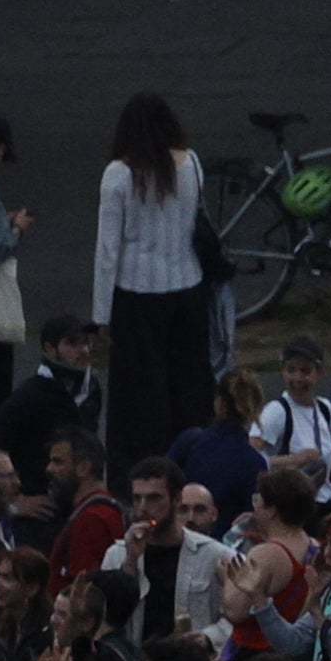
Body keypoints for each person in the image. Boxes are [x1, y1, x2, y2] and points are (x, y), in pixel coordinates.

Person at [94, 94, 219, 472]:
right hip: (189, 286)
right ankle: (193, 462)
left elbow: (107, 251)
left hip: (136, 293)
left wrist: (102, 314)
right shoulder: (192, 163)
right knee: (190, 383)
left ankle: (140, 469)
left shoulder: (119, 174)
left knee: (140, 393)